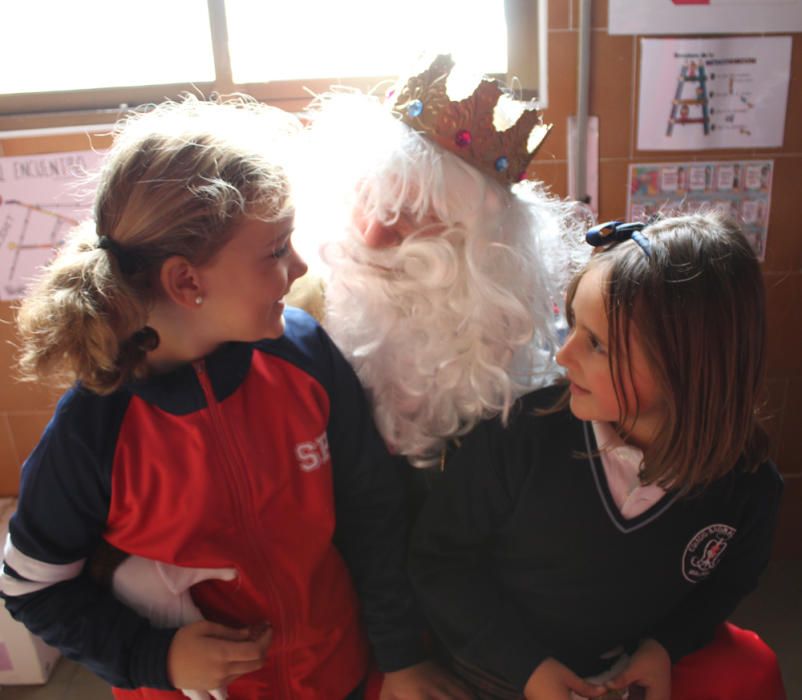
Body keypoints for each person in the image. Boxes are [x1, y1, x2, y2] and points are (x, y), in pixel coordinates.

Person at [0, 95, 468, 700]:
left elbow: (372, 515)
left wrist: (400, 658)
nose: (301, 264)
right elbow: (31, 588)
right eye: (276, 250)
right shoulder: (96, 426)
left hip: (338, 676)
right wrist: (154, 658)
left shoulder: (305, 356)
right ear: (186, 281)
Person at [408, 212, 785, 700]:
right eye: (572, 326)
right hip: (492, 672)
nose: (564, 356)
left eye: (598, 345)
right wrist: (528, 670)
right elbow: (439, 562)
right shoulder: (520, 434)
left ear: (689, 367)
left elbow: (729, 582)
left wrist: (664, 648)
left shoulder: (748, 488)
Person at [295, 54, 588, 469]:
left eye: (411, 214)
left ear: (483, 245)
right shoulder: (296, 313)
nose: (372, 237)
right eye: (369, 200)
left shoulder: (528, 385)